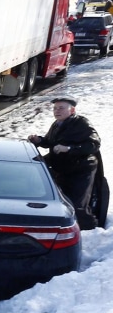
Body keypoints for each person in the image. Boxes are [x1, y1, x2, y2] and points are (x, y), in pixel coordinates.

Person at [28, 96, 102, 230]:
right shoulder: (57, 124)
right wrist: (39, 140)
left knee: (77, 204)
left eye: (61, 108)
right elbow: (51, 142)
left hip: (81, 169)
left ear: (72, 110)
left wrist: (69, 149)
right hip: (63, 169)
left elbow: (94, 144)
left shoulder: (82, 123)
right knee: (62, 202)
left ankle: (89, 230)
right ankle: (65, 227)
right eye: (55, 108)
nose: (57, 111)